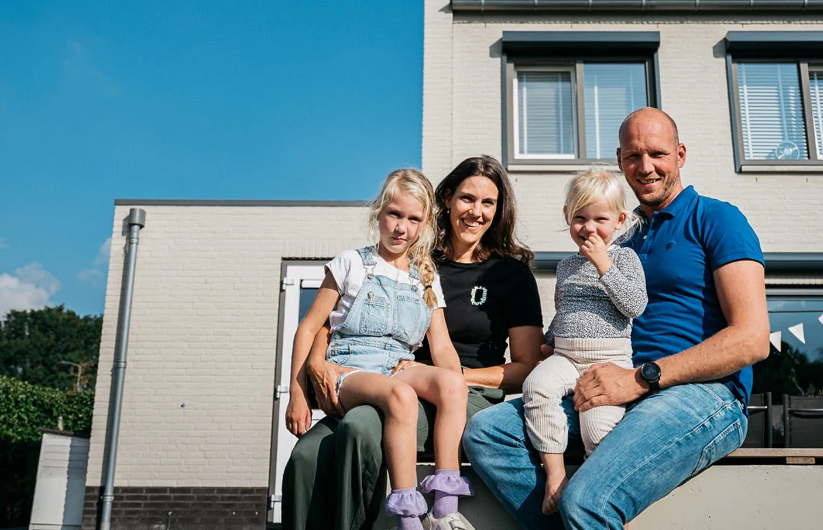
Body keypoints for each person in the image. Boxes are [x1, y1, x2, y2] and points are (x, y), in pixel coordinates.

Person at [463, 108, 770, 530]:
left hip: (700, 395)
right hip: (607, 380)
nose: (645, 167)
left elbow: (752, 339)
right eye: (632, 156)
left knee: (588, 500)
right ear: (620, 160)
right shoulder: (620, 237)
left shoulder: (716, 219)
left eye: (658, 154)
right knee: (487, 433)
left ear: (680, 155)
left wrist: (641, 378)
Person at [283, 155, 544, 530]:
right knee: (306, 455)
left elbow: (523, 368)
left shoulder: (508, 275)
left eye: (488, 203)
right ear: (447, 201)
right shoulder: (419, 260)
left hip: (446, 390)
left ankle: (408, 514)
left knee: (361, 427)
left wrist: (458, 377)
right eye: (467, 199)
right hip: (381, 378)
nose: (476, 212)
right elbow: (329, 318)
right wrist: (316, 363)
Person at [285, 168, 473, 530]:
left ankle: (446, 508)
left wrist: (456, 380)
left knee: (452, 385)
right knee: (401, 396)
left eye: (413, 219)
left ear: (425, 223)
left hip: (396, 366)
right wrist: (296, 391)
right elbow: (309, 327)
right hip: (350, 369)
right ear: (379, 214)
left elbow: (443, 347)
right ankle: (407, 515)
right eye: (394, 215)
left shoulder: (426, 277)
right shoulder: (352, 263)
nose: (401, 227)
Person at [521, 170, 646, 515]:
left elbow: (635, 305)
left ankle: (600, 500)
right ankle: (556, 474)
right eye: (580, 218)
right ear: (567, 218)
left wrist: (604, 265)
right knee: (536, 387)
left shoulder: (624, 259)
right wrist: (547, 344)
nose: (589, 228)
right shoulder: (565, 266)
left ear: (620, 220)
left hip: (607, 361)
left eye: (600, 219)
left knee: (596, 428)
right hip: (565, 355)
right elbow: (563, 310)